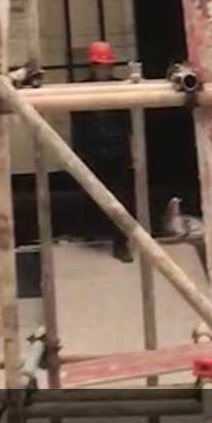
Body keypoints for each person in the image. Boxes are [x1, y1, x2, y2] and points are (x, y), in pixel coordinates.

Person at [71, 40, 134, 262]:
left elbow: (128, 122)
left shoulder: (119, 88)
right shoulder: (81, 89)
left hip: (117, 151)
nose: (103, 70)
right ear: (93, 66)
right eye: (100, 66)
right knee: (91, 195)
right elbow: (77, 123)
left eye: (106, 66)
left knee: (120, 198)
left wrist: (131, 150)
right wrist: (78, 153)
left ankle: (120, 243)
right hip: (92, 150)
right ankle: (92, 232)